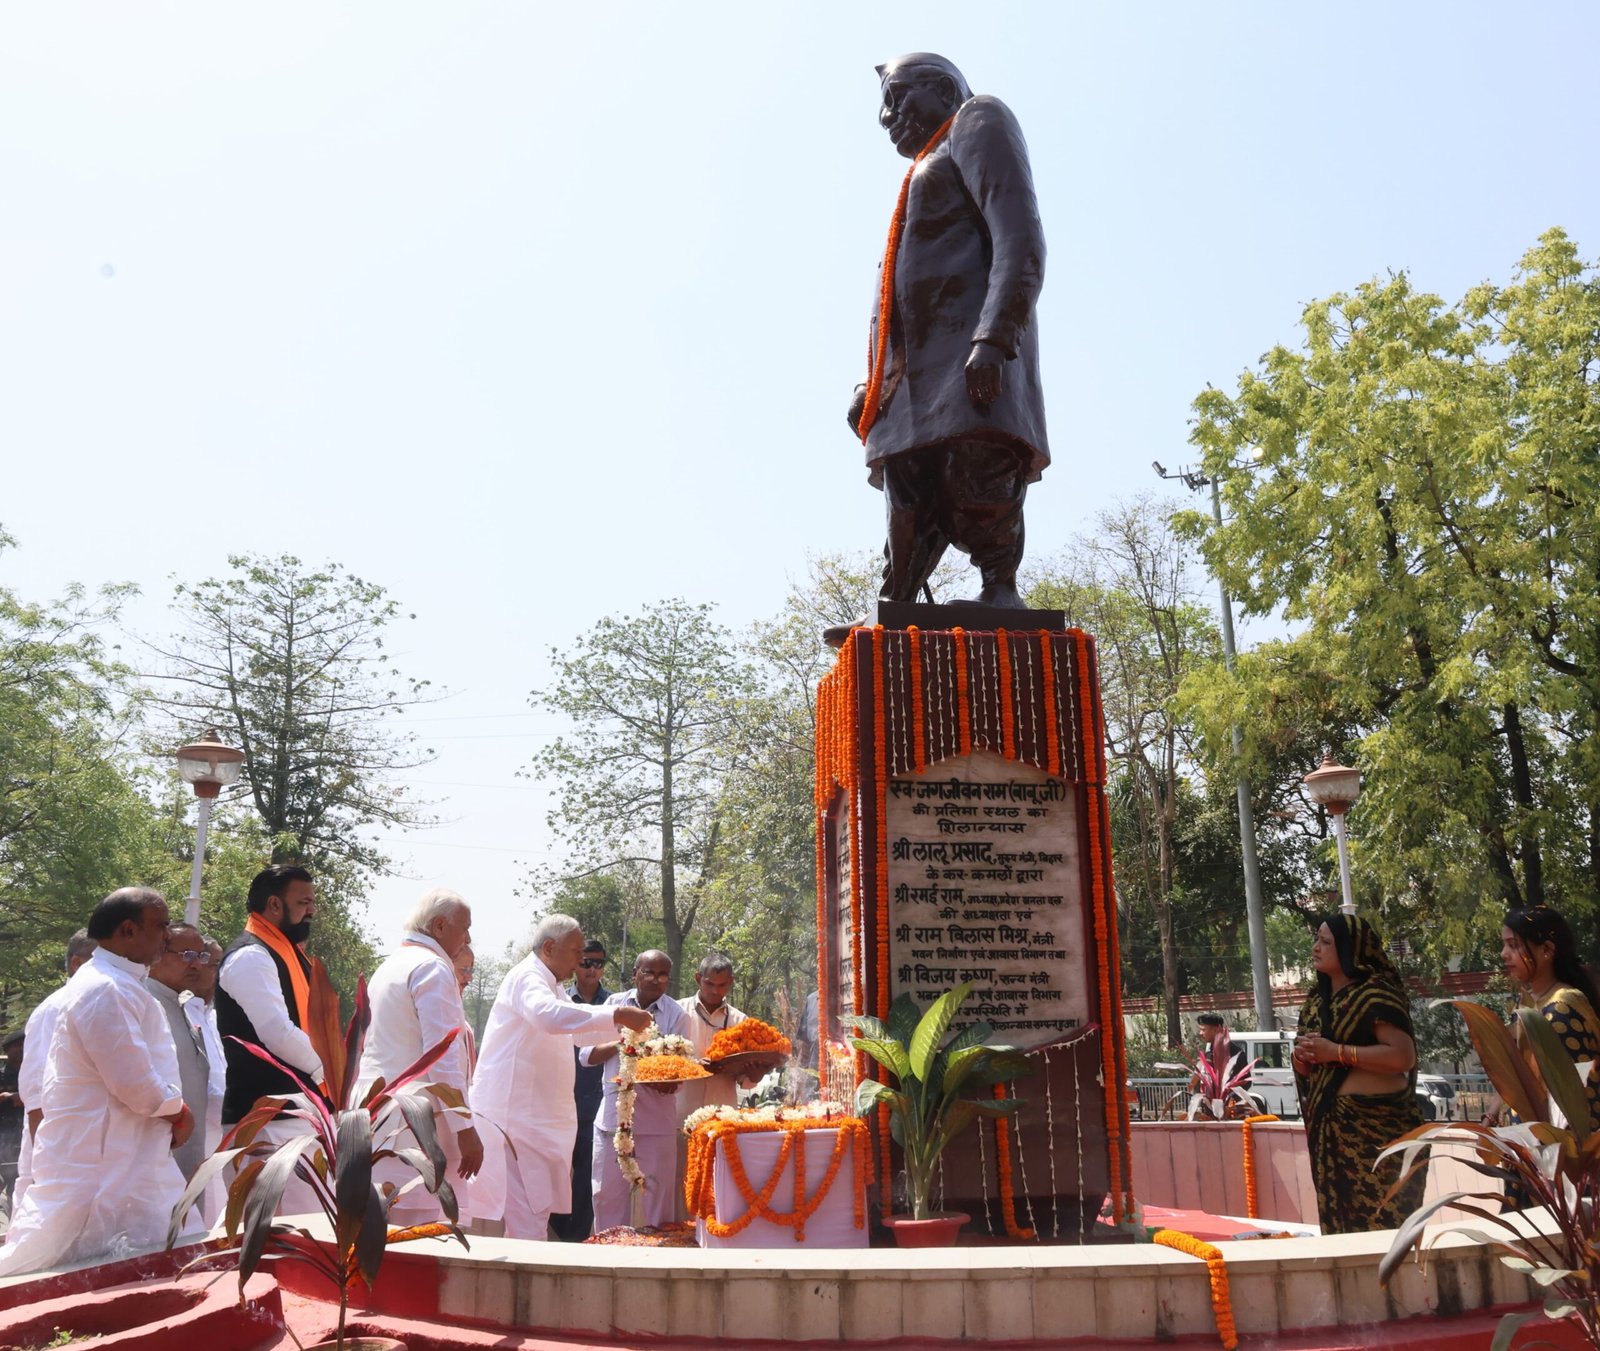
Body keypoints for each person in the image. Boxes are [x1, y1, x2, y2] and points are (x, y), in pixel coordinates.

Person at [845, 52, 1048, 613]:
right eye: (883, 109)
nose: (887, 119)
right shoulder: (923, 166)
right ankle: (897, 600)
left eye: (897, 100)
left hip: (967, 350)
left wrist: (994, 337)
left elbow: (1020, 236)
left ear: (941, 88)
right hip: (911, 375)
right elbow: (896, 297)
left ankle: (999, 587)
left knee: (977, 469)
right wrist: (872, 384)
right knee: (908, 482)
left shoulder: (977, 119)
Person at [0, 888, 192, 1275]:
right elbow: (135, 1084)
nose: (167, 936)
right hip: (101, 1164)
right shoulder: (106, 988)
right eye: (161, 925)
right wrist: (179, 1113)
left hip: (125, 1156)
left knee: (144, 1262)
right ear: (128, 930)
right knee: (48, 1267)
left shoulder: (118, 984)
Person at [467, 916, 651, 1240]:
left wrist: (623, 1030)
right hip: (517, 1122)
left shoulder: (550, 984)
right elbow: (548, 1016)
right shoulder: (528, 977)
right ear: (550, 947)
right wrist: (617, 1014)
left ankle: (522, 1272)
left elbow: (577, 1035)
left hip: (535, 1123)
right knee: (529, 1224)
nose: (580, 961)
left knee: (531, 1220)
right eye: (576, 952)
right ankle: (524, 1274)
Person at [1290, 913, 1424, 1234]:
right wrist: (1302, 1058)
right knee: (1344, 1228)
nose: (1316, 948)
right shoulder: (1316, 1002)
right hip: (1333, 1130)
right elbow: (1307, 1067)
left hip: (1381, 1131)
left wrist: (1337, 1052)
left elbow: (1403, 1056)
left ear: (1350, 949)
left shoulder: (1375, 996)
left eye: (1326, 942)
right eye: (1317, 940)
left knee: (1387, 1224)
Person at [356, 889, 482, 1223]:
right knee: (419, 1234)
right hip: (416, 1126)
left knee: (384, 1229)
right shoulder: (432, 968)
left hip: (380, 1119)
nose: (467, 938)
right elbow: (442, 1056)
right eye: (465, 928)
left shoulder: (391, 965)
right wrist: (465, 1128)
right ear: (439, 926)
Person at [216, 864, 324, 1217]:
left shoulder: (288, 954)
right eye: (304, 902)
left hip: (295, 1120)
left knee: (307, 1231)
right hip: (265, 1126)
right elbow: (277, 1032)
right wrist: (327, 1074)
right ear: (275, 905)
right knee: (270, 1235)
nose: (312, 910)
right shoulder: (251, 956)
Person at [583, 950, 687, 1232]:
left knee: (660, 1209)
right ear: (634, 974)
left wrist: (652, 1067)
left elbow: (677, 1077)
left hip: (657, 1126)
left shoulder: (677, 1015)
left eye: (663, 975)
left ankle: (656, 1259)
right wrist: (624, 1044)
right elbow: (587, 1055)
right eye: (649, 972)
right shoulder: (613, 1005)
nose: (655, 979)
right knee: (606, 1200)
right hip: (613, 1124)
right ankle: (610, 1256)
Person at [1496, 905, 1600, 1133]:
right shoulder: (1530, 1003)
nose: (1504, 954)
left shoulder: (1561, 1009)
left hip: (1562, 1148)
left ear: (1546, 950)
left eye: (1514, 945)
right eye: (1504, 944)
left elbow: (1574, 1099)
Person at [13, 930, 95, 1214]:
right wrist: (48, 1173)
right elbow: (37, 1097)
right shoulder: (56, 1009)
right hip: (59, 1166)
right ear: (77, 963)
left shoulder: (97, 1003)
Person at [550, 939, 611, 1242]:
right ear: (576, 964)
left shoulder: (613, 1004)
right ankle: (558, 1230)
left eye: (598, 963)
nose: (591, 969)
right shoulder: (560, 999)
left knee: (586, 1180)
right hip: (558, 1102)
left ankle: (574, 1240)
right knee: (555, 1172)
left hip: (595, 1105)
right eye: (586, 962)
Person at [144, 923, 212, 1185]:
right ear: (158, 953)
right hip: (156, 1157)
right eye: (186, 955)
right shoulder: (145, 1004)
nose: (196, 965)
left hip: (192, 1152)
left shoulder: (181, 1005)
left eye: (201, 956)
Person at [182, 936, 227, 1228]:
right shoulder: (184, 1011)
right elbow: (200, 1078)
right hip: (204, 1126)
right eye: (213, 963)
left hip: (225, 1126)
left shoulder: (215, 1015)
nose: (216, 971)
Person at [676, 953, 747, 1117]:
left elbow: (746, 1078)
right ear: (698, 978)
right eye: (709, 984)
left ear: (731, 982)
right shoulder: (677, 1012)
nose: (715, 991)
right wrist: (695, 1067)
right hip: (681, 1114)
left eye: (722, 985)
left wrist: (753, 1072)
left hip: (722, 1115)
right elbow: (664, 1061)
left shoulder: (741, 1021)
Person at [0, 1031, 23, 1203]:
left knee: (17, 1185)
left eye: (25, 1046)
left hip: (24, 1133)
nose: (22, 1050)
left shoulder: (33, 1073)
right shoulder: (1, 1074)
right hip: (3, 1133)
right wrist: (7, 1096)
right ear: (7, 1050)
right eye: (17, 1046)